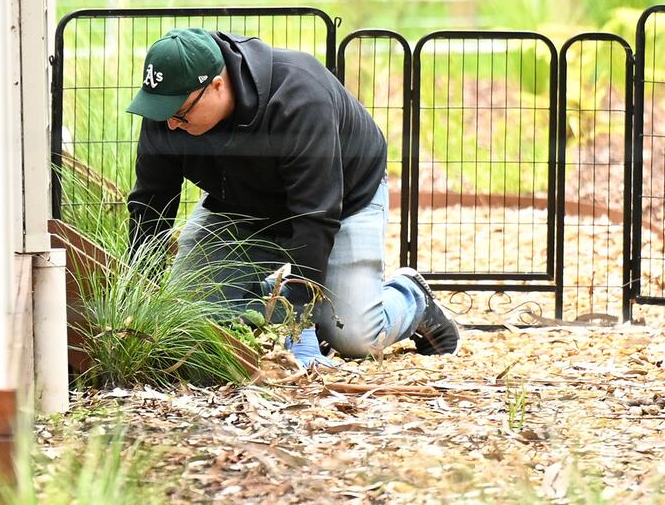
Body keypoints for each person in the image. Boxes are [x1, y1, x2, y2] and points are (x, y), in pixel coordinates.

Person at [125, 27, 459, 367]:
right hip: (239, 207)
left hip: (340, 202)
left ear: (217, 85)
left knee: (353, 336)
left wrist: (301, 324)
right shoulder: (170, 112)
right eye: (160, 111)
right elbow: (151, 202)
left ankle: (412, 297)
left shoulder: (299, 97)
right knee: (193, 316)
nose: (168, 124)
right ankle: (280, 294)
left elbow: (315, 215)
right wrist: (136, 296)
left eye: (179, 113)